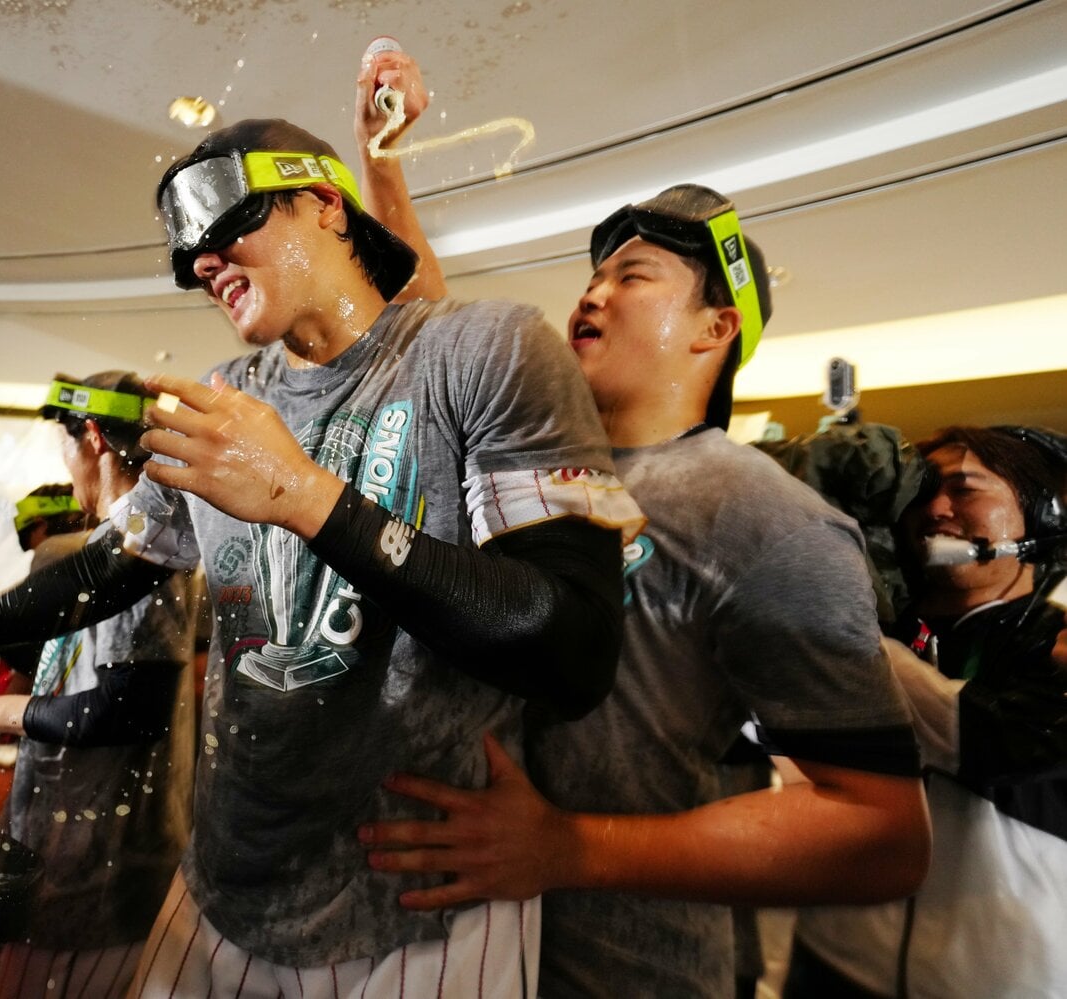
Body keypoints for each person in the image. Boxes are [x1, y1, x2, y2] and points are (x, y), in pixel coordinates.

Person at [0, 117, 641, 996]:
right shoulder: (228, 396)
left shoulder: (484, 348)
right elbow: (107, 569)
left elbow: (571, 644)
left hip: (416, 903)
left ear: (324, 204)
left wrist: (307, 496)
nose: (201, 263)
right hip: (224, 883)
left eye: (224, 225)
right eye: (187, 256)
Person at [352, 49, 930, 997]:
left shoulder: (763, 514)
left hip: (627, 969)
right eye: (593, 275)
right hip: (449, 955)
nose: (591, 292)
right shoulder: (533, 463)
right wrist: (384, 161)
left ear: (714, 329)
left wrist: (569, 847)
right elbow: (432, 321)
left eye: (635, 276)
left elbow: (879, 833)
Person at [0, 374, 199, 999]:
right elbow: (73, 663)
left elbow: (130, 709)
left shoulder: (140, 550)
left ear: (93, 438)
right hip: (73, 857)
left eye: (64, 445)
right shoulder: (116, 542)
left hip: (96, 877)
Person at [787, 425, 1067, 997]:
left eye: (964, 489)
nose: (935, 507)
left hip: (1005, 977)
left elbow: (996, 741)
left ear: (1044, 516)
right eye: (922, 491)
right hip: (835, 962)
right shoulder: (882, 620)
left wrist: (834, 628)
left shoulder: (1057, 633)